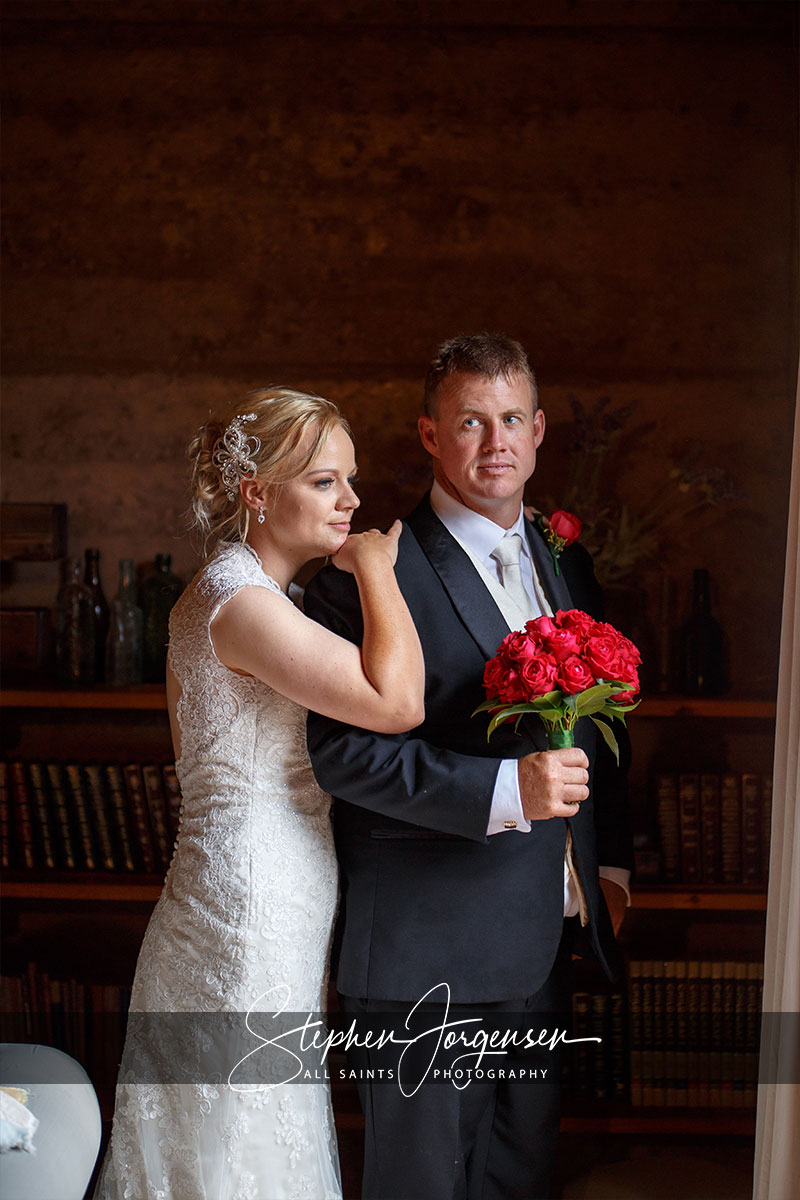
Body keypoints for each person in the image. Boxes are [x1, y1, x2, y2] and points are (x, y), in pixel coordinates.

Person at [305, 333, 633, 1200]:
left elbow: (604, 726)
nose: (497, 442)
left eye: (513, 419)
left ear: (538, 430)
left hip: (543, 938)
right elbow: (344, 755)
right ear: (428, 434)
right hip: (427, 945)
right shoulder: (368, 571)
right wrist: (505, 790)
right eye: (471, 421)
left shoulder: (567, 562)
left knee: (517, 1181)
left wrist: (607, 864)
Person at [94, 388, 425, 1200]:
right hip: (246, 907)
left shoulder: (255, 597)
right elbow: (399, 704)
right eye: (324, 482)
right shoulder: (241, 604)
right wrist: (378, 568)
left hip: (253, 893)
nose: (352, 500)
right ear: (257, 493)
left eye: (350, 479)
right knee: (237, 1131)